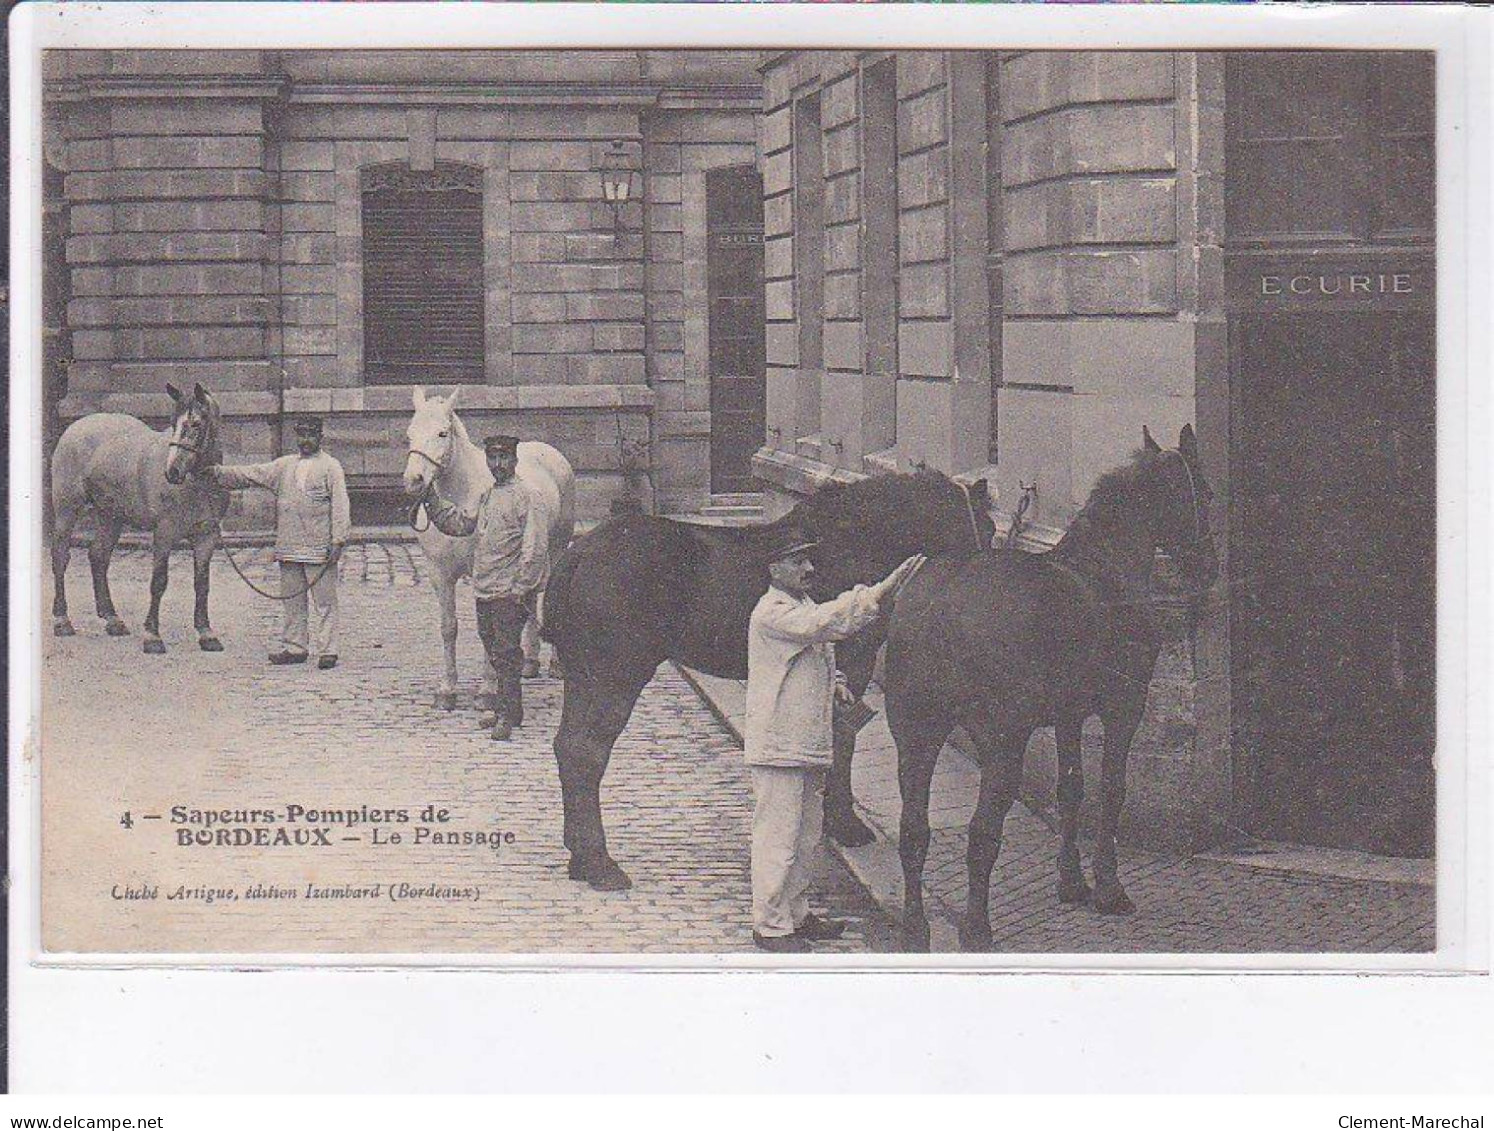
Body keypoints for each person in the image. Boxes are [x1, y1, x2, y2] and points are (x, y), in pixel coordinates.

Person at [745, 533, 925, 953]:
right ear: (774, 569)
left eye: (809, 560)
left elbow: (814, 650)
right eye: (797, 562)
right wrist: (881, 590)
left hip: (804, 741)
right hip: (779, 745)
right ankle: (769, 926)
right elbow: (824, 626)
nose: (808, 570)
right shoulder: (771, 612)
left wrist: (837, 682)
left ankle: (796, 913)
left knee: (806, 836)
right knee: (778, 837)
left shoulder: (800, 605)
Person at [423, 434, 547, 741]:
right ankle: (511, 710)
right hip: (485, 588)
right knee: (493, 648)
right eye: (492, 458)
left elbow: (534, 547)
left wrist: (522, 588)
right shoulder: (487, 495)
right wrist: (431, 501)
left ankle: (505, 713)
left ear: (515, 460)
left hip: (510, 590)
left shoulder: (528, 495)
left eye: (504, 458)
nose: (498, 464)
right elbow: (462, 524)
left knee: (506, 653)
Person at [205, 416, 351, 669]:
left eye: (311, 435)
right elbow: (251, 474)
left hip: (320, 548)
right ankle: (295, 648)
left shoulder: (331, 467)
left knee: (325, 601)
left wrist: (338, 541)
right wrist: (216, 473)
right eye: (301, 435)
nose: (306, 440)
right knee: (292, 602)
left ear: (320, 437)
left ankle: (329, 650)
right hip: (289, 546)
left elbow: (341, 506)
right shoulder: (284, 466)